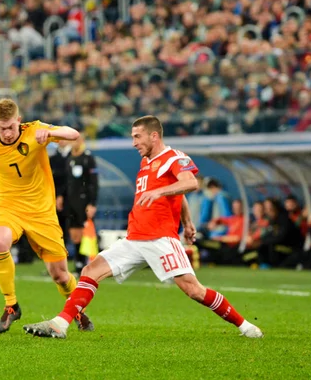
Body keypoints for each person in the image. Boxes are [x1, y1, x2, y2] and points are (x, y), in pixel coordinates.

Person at [23, 115, 263, 339]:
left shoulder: (174, 157)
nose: (134, 142)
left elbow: (189, 183)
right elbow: (179, 195)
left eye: (137, 137)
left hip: (160, 239)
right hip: (135, 238)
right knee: (90, 271)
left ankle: (246, 326)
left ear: (154, 136)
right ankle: (61, 324)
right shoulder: (146, 163)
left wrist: (161, 193)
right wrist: (188, 222)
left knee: (194, 290)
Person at [0, 98, 94, 334]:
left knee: (60, 275)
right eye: (2, 128)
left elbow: (73, 134)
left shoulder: (34, 131)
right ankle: (11, 305)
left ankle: (76, 310)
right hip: (8, 208)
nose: (7, 133)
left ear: (19, 120)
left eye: (11, 126)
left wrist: (50, 133)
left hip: (41, 213)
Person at [65, 133, 99, 276]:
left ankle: (87, 264)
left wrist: (92, 203)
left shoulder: (88, 158)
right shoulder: (68, 157)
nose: (74, 142)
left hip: (84, 201)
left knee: (85, 233)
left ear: (82, 140)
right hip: (70, 200)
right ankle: (78, 264)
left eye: (77, 139)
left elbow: (93, 182)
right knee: (74, 233)